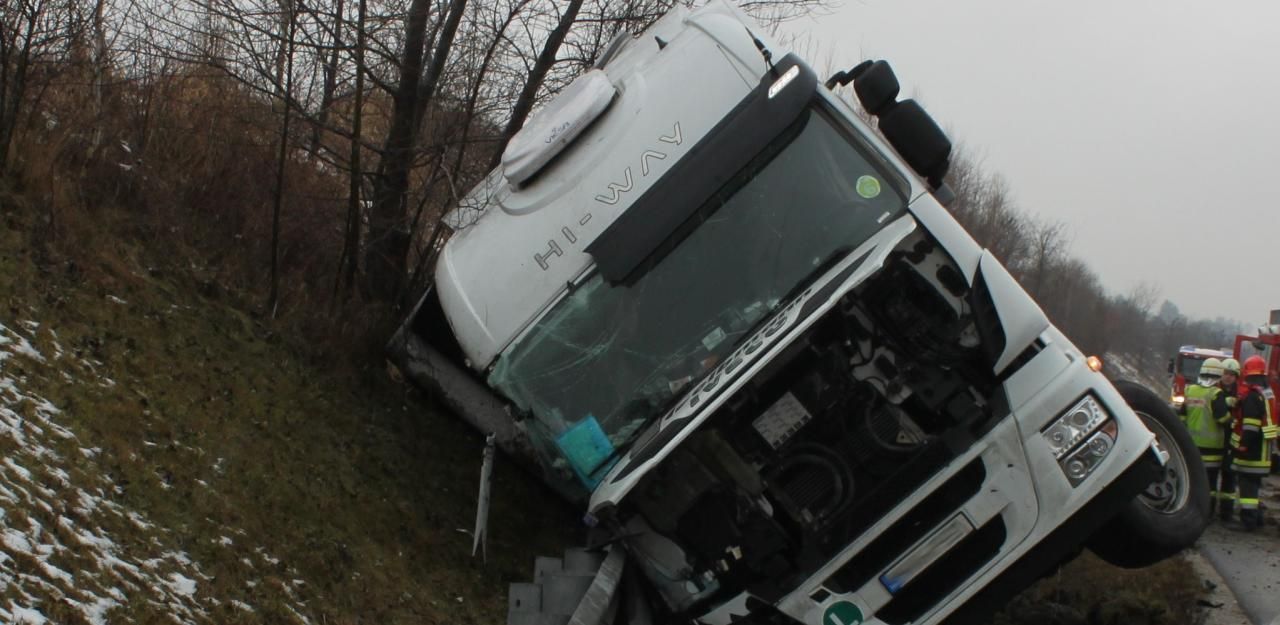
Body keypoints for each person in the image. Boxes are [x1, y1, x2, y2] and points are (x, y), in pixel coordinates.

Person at [1228, 355, 1277, 531]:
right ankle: (1257, 519)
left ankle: (1248, 522)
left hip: (1252, 451)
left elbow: (1250, 425)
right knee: (1254, 486)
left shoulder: (1252, 396)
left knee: (1247, 488)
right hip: (1263, 448)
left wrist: (1243, 445)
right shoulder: (1267, 392)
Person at [1181, 358, 1227, 512]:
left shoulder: (1190, 390)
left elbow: (1182, 416)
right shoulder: (1216, 393)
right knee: (1210, 483)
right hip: (1212, 448)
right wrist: (1232, 419)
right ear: (1219, 375)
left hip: (1192, 444)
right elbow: (1222, 418)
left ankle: (1192, 509)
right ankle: (1208, 512)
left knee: (1194, 480)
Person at [1216, 358, 1241, 521]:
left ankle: (1226, 513)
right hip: (1214, 440)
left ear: (1236, 377)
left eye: (1232, 374)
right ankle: (1208, 510)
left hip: (1232, 441)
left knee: (1230, 476)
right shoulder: (1214, 389)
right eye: (1225, 373)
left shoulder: (1241, 393)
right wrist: (1224, 402)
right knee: (1209, 478)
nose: (1228, 377)